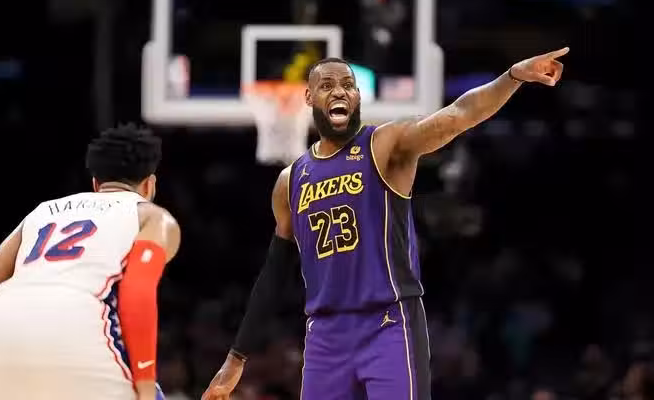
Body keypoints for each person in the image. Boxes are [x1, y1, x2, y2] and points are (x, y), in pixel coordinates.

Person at [202, 48, 569, 400]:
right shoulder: (291, 180)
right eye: (327, 85)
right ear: (309, 97)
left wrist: (511, 77)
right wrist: (236, 358)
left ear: (357, 96)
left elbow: (460, 114)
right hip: (324, 334)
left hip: (389, 322)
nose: (339, 91)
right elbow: (273, 273)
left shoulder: (385, 145)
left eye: (347, 84)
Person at [0, 123, 181, 400]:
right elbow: (137, 293)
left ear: (96, 183)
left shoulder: (42, 212)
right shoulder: (153, 217)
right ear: (149, 185)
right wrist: (144, 385)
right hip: (80, 335)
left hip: (2, 337)